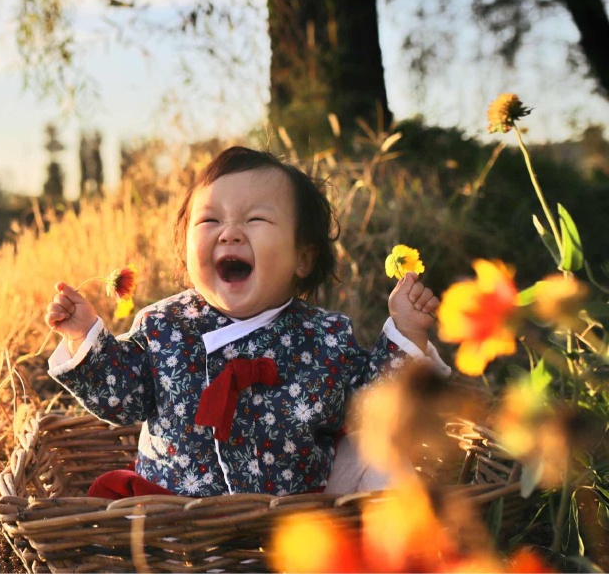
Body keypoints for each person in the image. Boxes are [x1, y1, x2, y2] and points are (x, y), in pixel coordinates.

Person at [44, 146, 451, 498]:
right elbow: (121, 397)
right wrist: (85, 336)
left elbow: (373, 404)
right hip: (177, 516)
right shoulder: (164, 326)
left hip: (301, 514)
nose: (229, 234)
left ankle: (395, 553)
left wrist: (405, 332)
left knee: (379, 458)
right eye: (209, 221)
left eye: (255, 220)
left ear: (303, 258)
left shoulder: (325, 337)